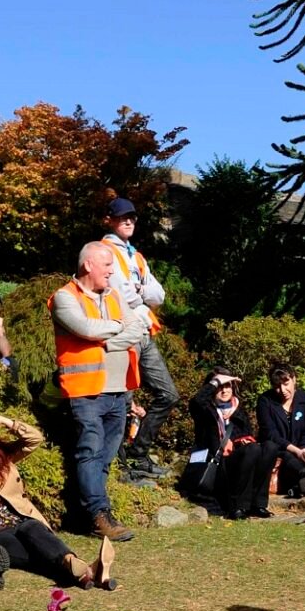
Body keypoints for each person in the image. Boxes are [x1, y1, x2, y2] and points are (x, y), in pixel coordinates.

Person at [0, 408, 112, 593]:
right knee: (33, 553)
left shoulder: (3, 456)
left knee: (33, 528)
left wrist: (2, 420)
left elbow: (35, 439)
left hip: (20, 521)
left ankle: (73, 563)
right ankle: (86, 572)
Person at [49, 241, 146, 543]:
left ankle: (92, 513)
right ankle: (98, 514)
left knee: (105, 455)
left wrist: (106, 339)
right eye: (107, 265)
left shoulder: (115, 295)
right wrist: (116, 328)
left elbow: (138, 329)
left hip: (118, 389)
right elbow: (85, 328)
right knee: (90, 451)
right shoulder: (64, 298)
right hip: (86, 390)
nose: (111, 271)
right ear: (89, 265)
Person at [99, 197, 177, 479]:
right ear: (109, 220)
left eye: (132, 217)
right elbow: (123, 293)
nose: (129, 221)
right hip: (123, 331)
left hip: (143, 331)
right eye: (122, 217)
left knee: (168, 394)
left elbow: (159, 295)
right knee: (122, 398)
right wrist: (141, 292)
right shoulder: (104, 251)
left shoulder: (136, 255)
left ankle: (137, 454)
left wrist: (140, 292)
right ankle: (118, 465)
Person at [182, 367, 274, 519]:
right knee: (252, 451)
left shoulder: (239, 410)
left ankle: (258, 504)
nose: (224, 391)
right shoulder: (205, 410)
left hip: (235, 460)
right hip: (214, 462)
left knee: (269, 448)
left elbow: (247, 434)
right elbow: (196, 401)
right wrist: (216, 380)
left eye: (227, 386)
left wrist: (241, 441)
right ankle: (239, 506)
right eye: (219, 387)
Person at [256, 364, 305, 505]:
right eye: (277, 386)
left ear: (294, 379)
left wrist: (304, 449)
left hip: (304, 448)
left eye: (286, 383)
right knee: (288, 456)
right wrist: (295, 450)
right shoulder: (265, 401)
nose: (282, 390)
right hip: (279, 451)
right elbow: (271, 434)